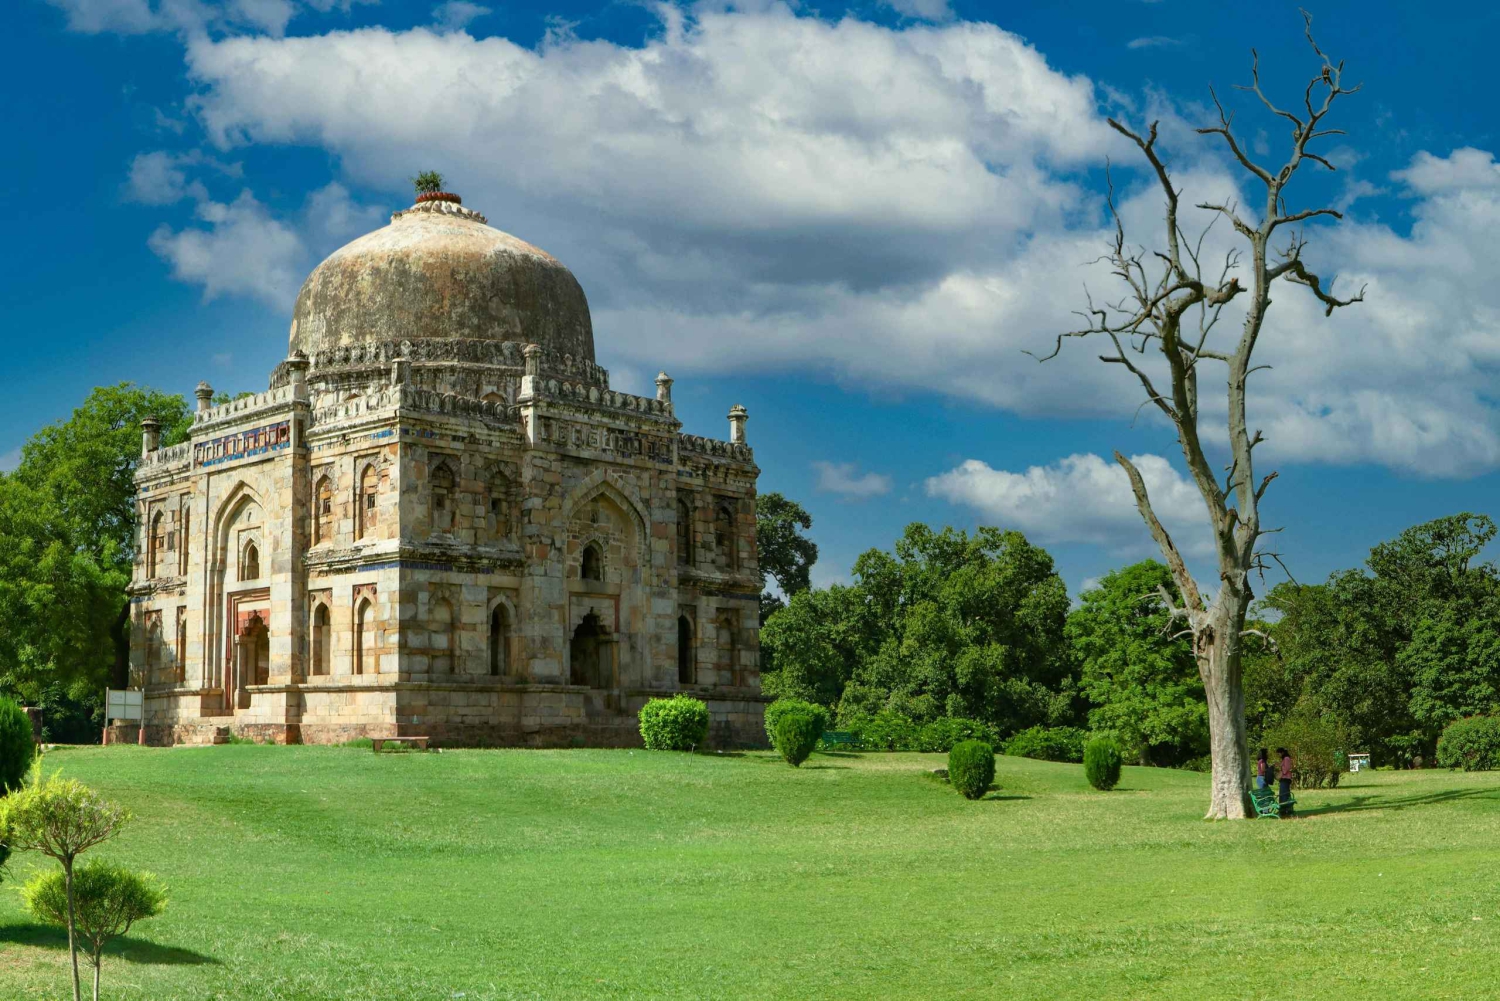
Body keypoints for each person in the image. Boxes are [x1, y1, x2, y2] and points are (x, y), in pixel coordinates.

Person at [1277, 747, 1294, 817]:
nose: (1278, 755)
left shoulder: (1286, 758)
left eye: (1279, 753)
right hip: (1283, 778)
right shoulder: (1284, 759)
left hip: (1285, 778)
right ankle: (1283, 809)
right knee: (1282, 794)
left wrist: (1282, 772)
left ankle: (1286, 809)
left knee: (1284, 795)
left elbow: (1287, 768)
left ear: (1282, 753)